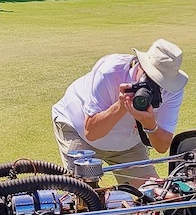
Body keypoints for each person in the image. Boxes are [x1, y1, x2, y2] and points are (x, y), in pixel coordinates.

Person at [52, 39, 188, 186]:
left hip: (128, 145)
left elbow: (162, 147)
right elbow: (91, 132)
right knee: (86, 195)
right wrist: (120, 106)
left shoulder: (173, 90)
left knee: (153, 191)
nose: (154, 87)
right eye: (151, 77)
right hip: (78, 131)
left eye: (161, 82)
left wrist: (150, 124)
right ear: (140, 65)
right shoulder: (109, 71)